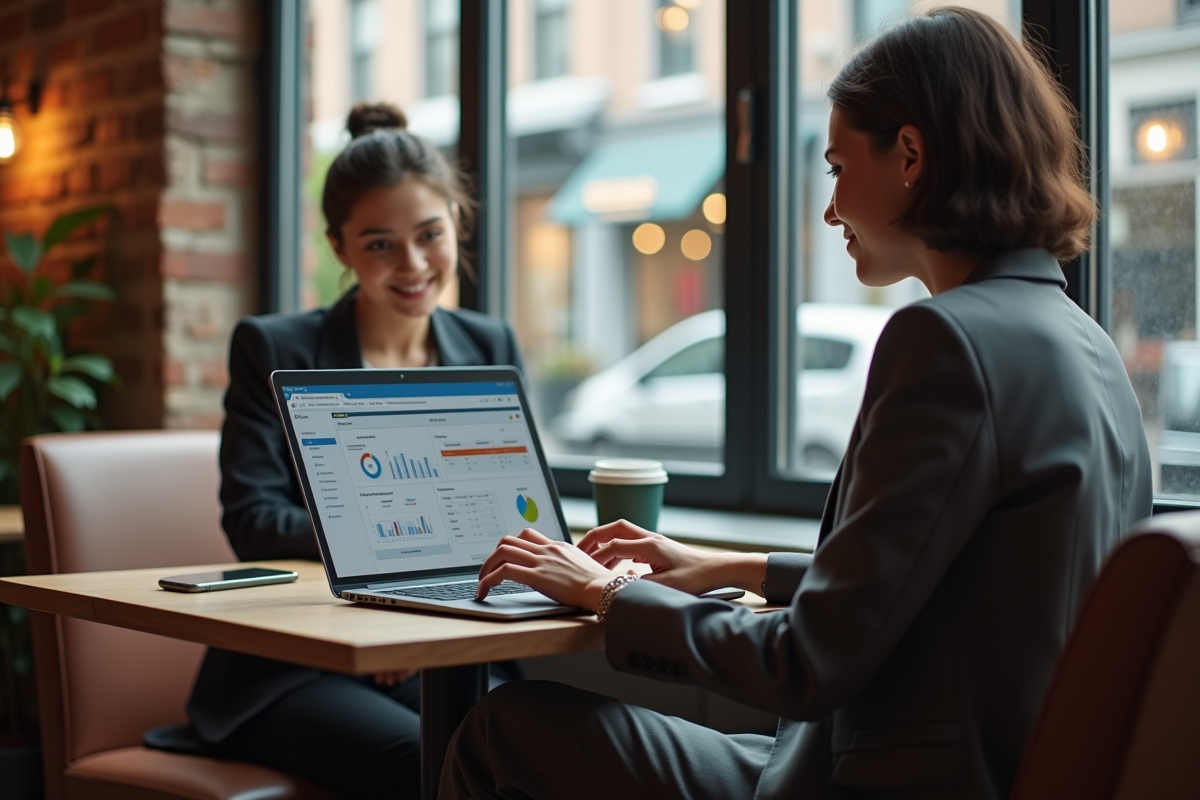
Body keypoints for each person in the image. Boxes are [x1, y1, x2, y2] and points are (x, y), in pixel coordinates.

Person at [439, 9, 1153, 800]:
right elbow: (951, 584)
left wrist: (608, 593)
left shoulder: (945, 342)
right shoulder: (1088, 349)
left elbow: (805, 664)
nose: (829, 209)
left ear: (911, 155)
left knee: (503, 730)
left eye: (838, 169)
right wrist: (728, 565)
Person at [183, 102, 524, 799]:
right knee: (422, 760)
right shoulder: (274, 347)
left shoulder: (488, 346)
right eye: (379, 244)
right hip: (295, 666)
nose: (414, 265)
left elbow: (509, 510)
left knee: (530, 748)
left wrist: (414, 611)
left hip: (446, 641)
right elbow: (254, 518)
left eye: (430, 234)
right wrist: (390, 587)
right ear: (339, 247)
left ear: (457, 222)